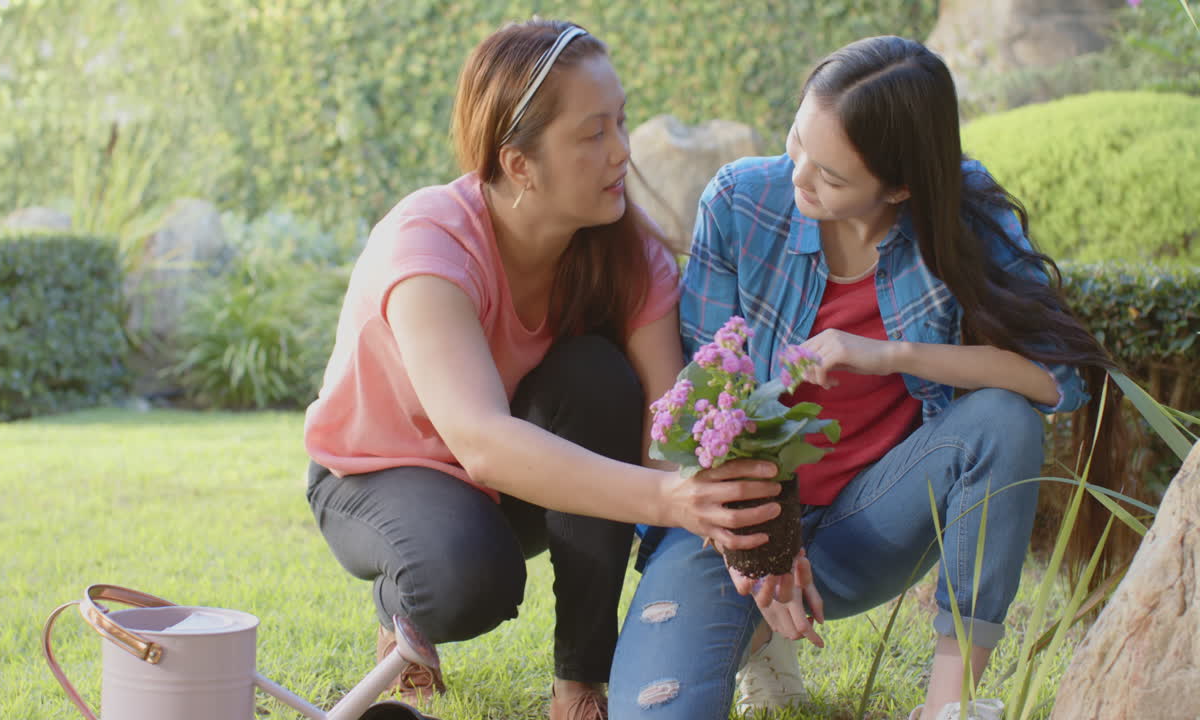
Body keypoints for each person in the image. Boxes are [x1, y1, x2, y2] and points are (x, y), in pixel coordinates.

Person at [608, 35, 1133, 720]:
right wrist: (763, 553)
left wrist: (891, 353)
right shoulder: (741, 202)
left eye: (831, 177)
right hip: (738, 528)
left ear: (901, 185)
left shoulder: (961, 214)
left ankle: (951, 704)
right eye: (798, 141)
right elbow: (703, 398)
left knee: (1002, 418)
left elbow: (1055, 378)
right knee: (658, 709)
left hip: (871, 525)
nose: (799, 177)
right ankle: (761, 632)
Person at [302, 19, 783, 720]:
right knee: (466, 582)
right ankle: (404, 602)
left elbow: (665, 425)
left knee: (596, 376)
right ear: (519, 163)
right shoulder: (429, 242)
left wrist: (732, 521)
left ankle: (579, 682)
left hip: (512, 487)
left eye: (620, 121)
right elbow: (481, 442)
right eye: (593, 134)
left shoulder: (626, 254)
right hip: (377, 474)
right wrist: (669, 499)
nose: (622, 150)